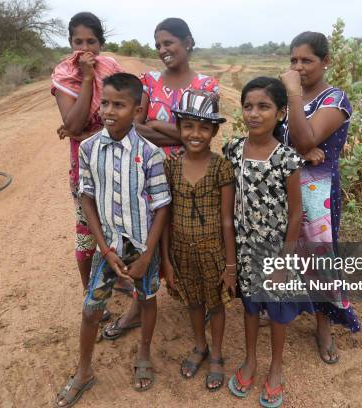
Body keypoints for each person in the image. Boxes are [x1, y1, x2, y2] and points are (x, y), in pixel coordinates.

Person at [54, 73, 170, 407]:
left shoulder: (150, 154)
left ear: (136, 110)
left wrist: (148, 256)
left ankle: (144, 352)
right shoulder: (89, 148)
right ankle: (84, 371)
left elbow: (161, 205)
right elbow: (86, 196)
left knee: (147, 299)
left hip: (141, 247)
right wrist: (103, 246)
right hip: (109, 247)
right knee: (91, 309)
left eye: (119, 105)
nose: (109, 110)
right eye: (105, 102)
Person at [103, 17, 219, 340]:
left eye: (168, 42)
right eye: (158, 45)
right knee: (147, 239)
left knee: (190, 238)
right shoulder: (148, 81)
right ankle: (138, 309)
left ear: (188, 42)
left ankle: (201, 299)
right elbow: (133, 127)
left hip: (190, 176)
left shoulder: (207, 86)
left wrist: (158, 124)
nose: (162, 50)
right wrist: (180, 132)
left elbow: (199, 136)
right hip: (148, 173)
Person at [224, 77, 307, 408]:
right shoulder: (232, 150)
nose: (254, 114)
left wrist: (284, 262)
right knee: (250, 307)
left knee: (277, 312)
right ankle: (250, 359)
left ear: (281, 113)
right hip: (245, 250)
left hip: (275, 251)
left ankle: (275, 367)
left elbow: (297, 215)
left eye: (264, 106)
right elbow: (228, 212)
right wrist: (231, 263)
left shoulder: (287, 158)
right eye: (248, 106)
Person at [279, 31, 361, 364]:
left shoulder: (335, 100)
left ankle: (323, 325)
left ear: (325, 62)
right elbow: (274, 133)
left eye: (307, 60)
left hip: (317, 192)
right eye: (293, 60)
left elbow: (303, 140)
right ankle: (284, 306)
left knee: (319, 256)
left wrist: (294, 96)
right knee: (283, 247)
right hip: (282, 184)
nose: (299, 67)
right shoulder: (286, 99)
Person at [51, 12, 133, 322]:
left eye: (91, 41)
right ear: (70, 42)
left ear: (101, 43)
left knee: (119, 228)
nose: (85, 49)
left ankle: (120, 277)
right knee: (87, 233)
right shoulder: (64, 74)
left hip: (118, 162)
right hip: (85, 167)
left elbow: (129, 117)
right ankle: (91, 296)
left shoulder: (111, 68)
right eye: (78, 41)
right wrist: (86, 77)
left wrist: (88, 133)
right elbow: (73, 123)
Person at [160, 90, 236, 391]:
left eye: (204, 127)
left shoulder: (221, 168)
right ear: (179, 128)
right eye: (189, 126)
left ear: (214, 131)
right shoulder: (171, 167)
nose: (195, 133)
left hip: (213, 252)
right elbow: (165, 218)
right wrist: (166, 260)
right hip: (181, 253)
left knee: (216, 305)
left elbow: (228, 220)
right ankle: (200, 345)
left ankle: (216, 353)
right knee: (193, 303)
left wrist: (230, 265)